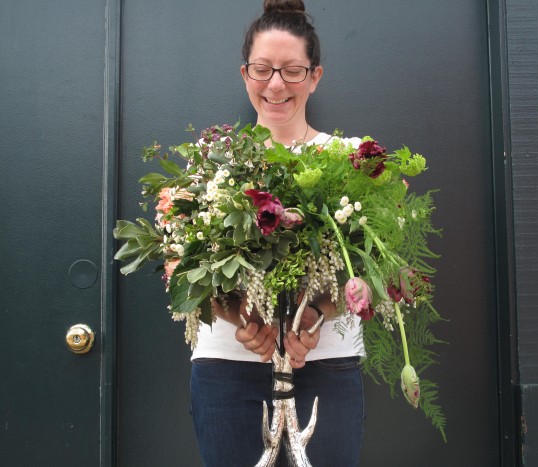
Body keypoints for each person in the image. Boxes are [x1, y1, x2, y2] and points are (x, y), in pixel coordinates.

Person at [190, 1, 365, 465]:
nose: (275, 85)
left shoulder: (349, 159)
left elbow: (371, 266)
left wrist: (318, 314)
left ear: (315, 76)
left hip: (326, 363)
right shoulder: (213, 161)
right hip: (228, 364)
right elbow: (183, 267)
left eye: (291, 71)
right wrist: (239, 318)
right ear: (245, 73)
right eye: (263, 70)